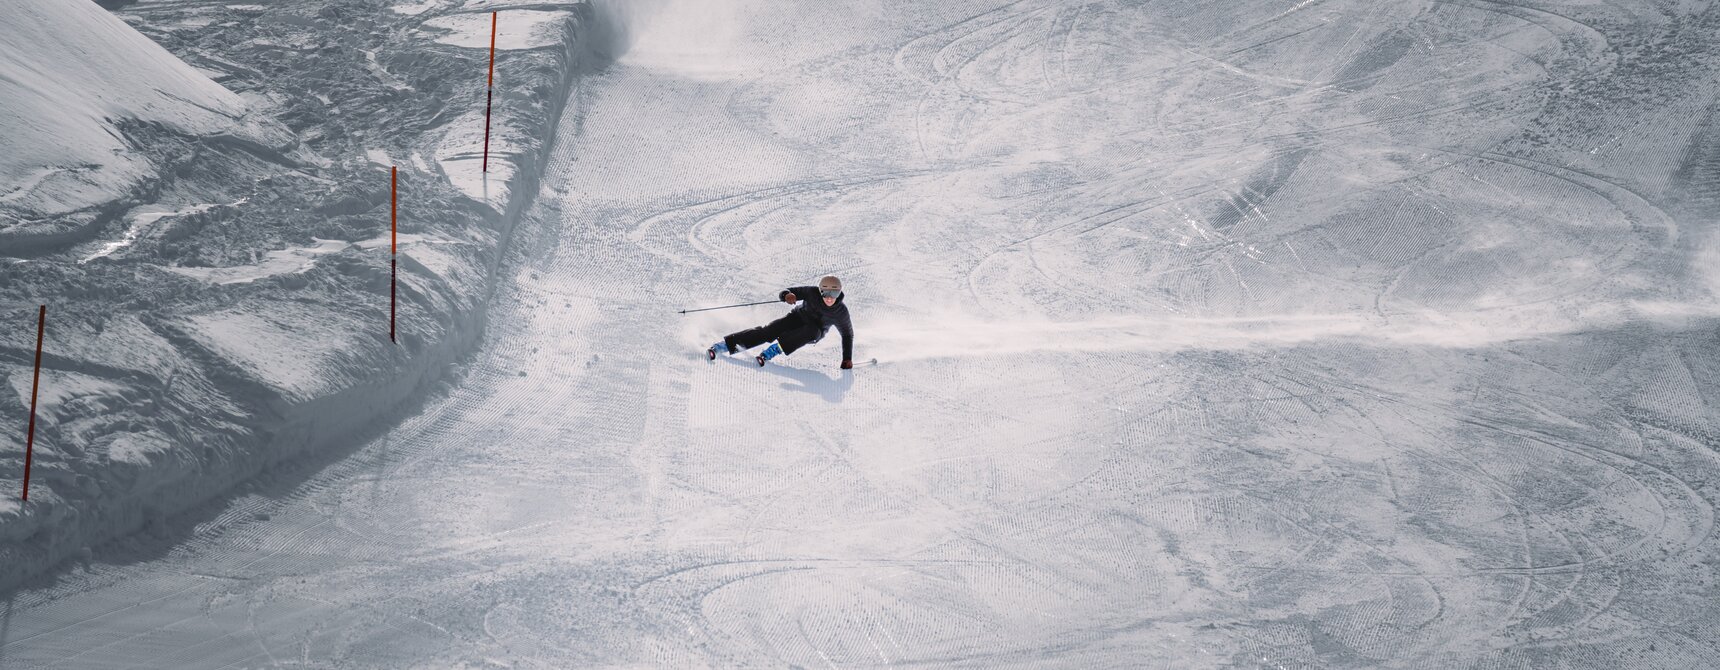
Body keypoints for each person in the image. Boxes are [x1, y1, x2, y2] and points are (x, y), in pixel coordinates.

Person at [709, 275, 854, 368]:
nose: (829, 298)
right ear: (820, 291)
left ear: (839, 292)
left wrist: (847, 358)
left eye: (834, 293)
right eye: (826, 293)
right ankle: (725, 346)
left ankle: (773, 350)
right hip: (797, 318)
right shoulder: (811, 292)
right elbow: (788, 291)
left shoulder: (841, 312)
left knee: (812, 330)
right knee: (768, 331)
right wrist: (787, 295)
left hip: (814, 331)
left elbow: (847, 335)